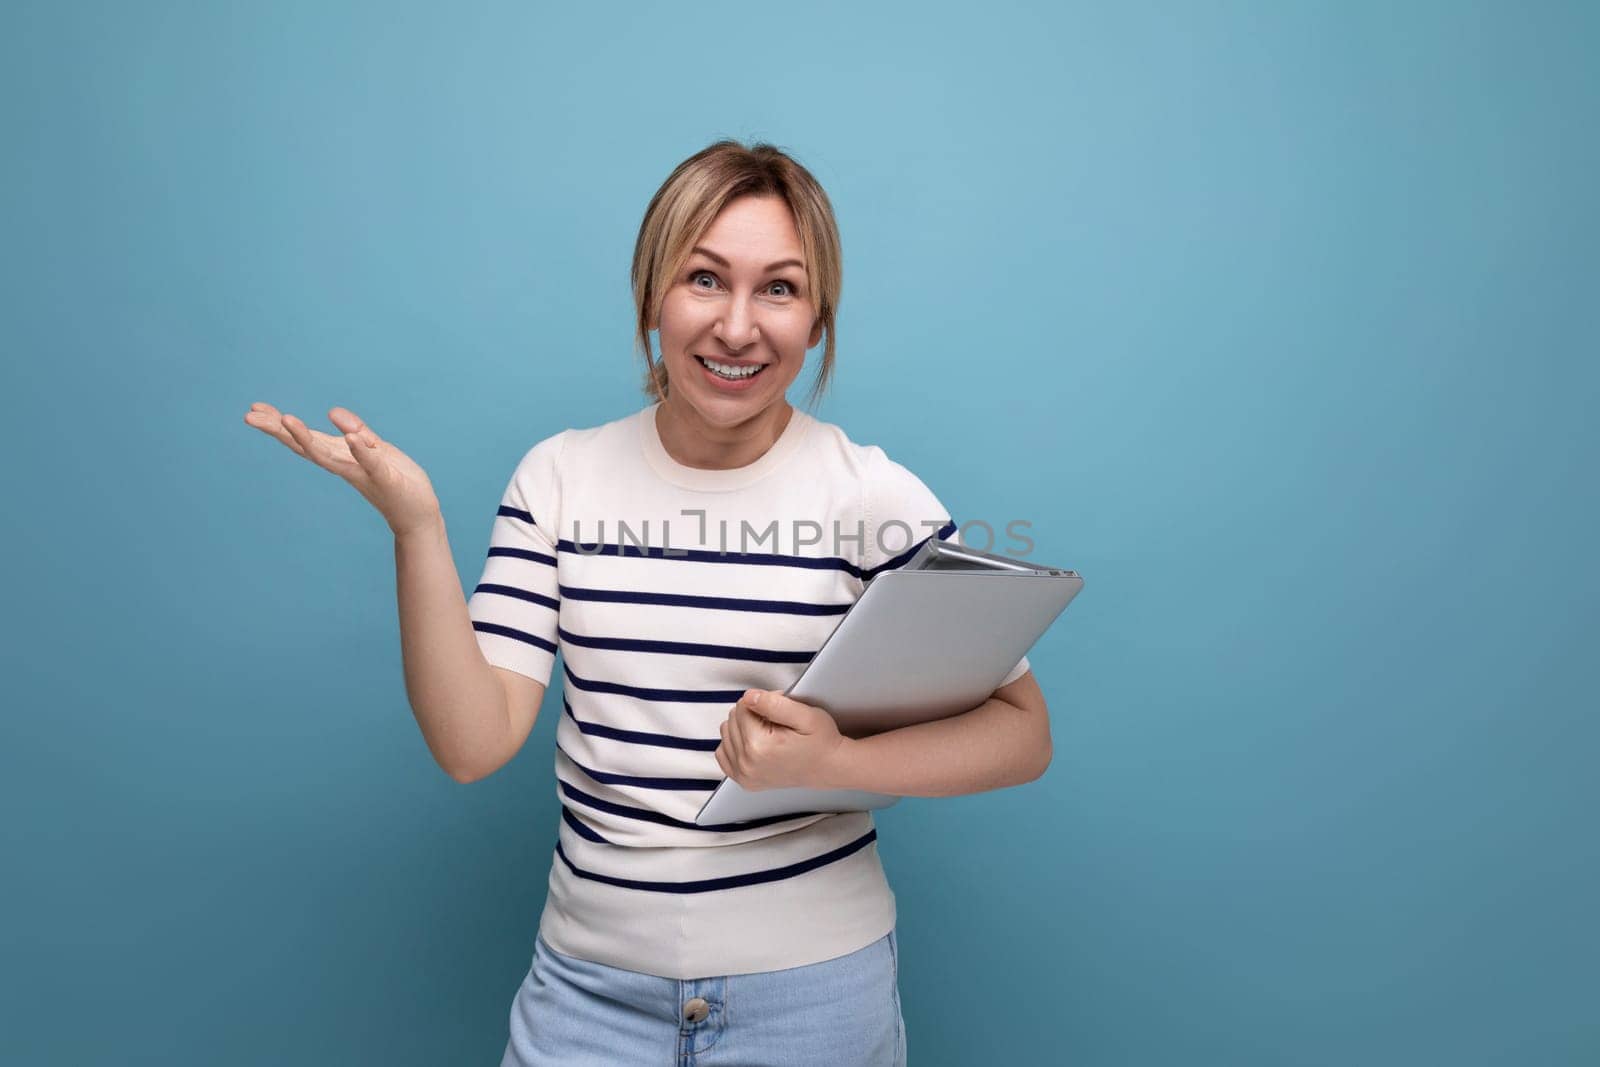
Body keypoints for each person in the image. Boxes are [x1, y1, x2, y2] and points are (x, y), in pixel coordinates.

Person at [243, 138, 1052, 1066]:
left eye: (779, 288)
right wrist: (418, 530)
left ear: (819, 318)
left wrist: (837, 757)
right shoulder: (560, 477)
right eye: (705, 279)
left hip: (815, 998)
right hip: (587, 995)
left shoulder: (872, 499)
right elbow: (472, 744)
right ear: (651, 294)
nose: (738, 327)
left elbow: (1023, 733)